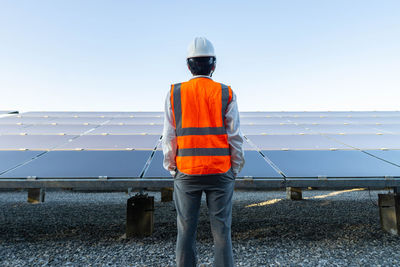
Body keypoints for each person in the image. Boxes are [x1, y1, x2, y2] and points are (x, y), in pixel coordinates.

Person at [162, 37, 245, 267]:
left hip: (186, 172)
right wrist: (235, 168)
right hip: (220, 172)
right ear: (214, 65)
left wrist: (171, 167)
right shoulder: (226, 93)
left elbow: (169, 135)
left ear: (189, 66)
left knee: (186, 231)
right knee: (221, 232)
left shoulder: (174, 93)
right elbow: (235, 135)